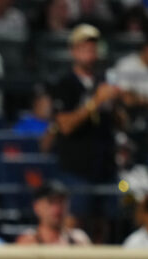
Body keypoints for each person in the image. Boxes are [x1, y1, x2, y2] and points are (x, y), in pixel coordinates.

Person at [47, 23, 124, 242]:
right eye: (84, 48)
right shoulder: (65, 84)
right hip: (76, 167)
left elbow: (120, 124)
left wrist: (116, 103)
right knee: (74, 221)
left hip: (106, 165)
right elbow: (65, 125)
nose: (90, 53)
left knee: (106, 225)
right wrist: (95, 103)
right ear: (73, 51)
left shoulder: (104, 82)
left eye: (93, 47)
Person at [15, 181, 91, 245]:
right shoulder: (28, 243)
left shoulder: (78, 240)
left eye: (61, 202)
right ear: (36, 206)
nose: (57, 208)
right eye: (51, 202)